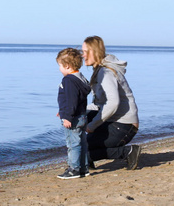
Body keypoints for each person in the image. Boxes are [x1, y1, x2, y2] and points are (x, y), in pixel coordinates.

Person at [82, 36, 141, 170]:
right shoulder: (100, 70)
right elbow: (99, 105)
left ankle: (128, 152)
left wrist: (92, 125)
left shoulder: (105, 72)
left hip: (125, 125)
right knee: (80, 117)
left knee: (82, 153)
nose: (82, 55)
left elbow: (113, 103)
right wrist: (76, 111)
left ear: (95, 51)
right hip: (114, 121)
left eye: (85, 51)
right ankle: (87, 156)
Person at [55, 48, 91, 179]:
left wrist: (67, 116)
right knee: (81, 142)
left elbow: (72, 100)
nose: (59, 68)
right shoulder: (80, 78)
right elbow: (75, 100)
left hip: (73, 118)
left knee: (73, 144)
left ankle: (74, 169)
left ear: (67, 66)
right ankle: (83, 168)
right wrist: (62, 111)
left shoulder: (69, 80)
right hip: (81, 115)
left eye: (60, 65)